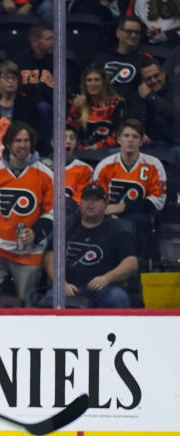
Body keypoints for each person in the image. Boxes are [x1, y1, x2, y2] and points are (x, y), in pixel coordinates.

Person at [0, 121, 54, 306]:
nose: (23, 145)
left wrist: (36, 233)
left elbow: (51, 212)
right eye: (18, 140)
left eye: (26, 140)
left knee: (26, 301)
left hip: (29, 249)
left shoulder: (45, 174)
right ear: (8, 143)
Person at [43, 182, 137, 308]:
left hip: (103, 290)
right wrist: (62, 283)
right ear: (80, 203)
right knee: (51, 298)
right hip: (70, 288)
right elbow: (51, 257)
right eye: (86, 199)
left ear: (105, 205)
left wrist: (106, 278)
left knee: (117, 298)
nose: (90, 203)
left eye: (95, 200)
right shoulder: (66, 227)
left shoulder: (117, 231)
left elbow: (131, 263)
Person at [92, 119, 167, 264]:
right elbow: (95, 199)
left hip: (140, 220)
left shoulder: (154, 165)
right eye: (126, 136)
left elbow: (158, 202)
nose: (130, 140)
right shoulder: (105, 166)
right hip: (107, 216)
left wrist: (123, 207)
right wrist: (110, 215)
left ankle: (135, 266)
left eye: (135, 136)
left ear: (141, 140)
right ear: (119, 139)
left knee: (136, 222)